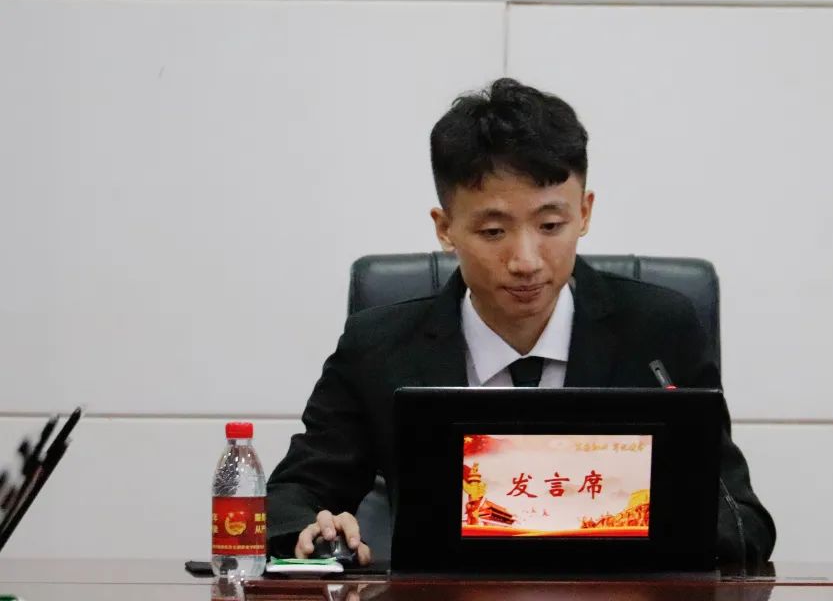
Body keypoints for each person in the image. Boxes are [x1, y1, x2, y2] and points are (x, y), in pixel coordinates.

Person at [266, 78, 776, 566]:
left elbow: (744, 521)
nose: (526, 261)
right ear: (445, 228)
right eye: (493, 231)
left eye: (551, 225)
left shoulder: (659, 335)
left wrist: (648, 515)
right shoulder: (379, 348)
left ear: (585, 213)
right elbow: (291, 498)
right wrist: (312, 529)